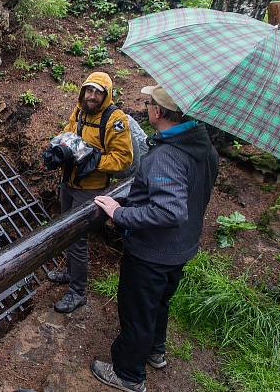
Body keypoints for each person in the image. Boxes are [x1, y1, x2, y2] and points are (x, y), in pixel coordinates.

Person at [90, 85, 218, 392]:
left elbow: (170, 212)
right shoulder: (204, 147)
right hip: (181, 248)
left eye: (148, 103)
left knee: (136, 310)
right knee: (159, 302)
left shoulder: (167, 157)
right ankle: (155, 351)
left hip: (152, 253)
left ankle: (128, 374)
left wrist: (120, 214)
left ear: (158, 112)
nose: (146, 107)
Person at [49, 71, 133, 313]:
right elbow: (67, 132)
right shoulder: (79, 111)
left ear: (106, 95)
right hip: (69, 182)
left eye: (98, 92)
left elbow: (124, 158)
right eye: (89, 90)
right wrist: (57, 148)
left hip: (91, 189)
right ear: (83, 91)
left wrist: (95, 161)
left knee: (77, 239)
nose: (92, 96)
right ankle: (69, 271)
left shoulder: (115, 119)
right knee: (66, 232)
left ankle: (78, 292)